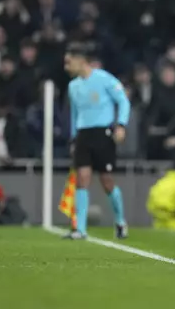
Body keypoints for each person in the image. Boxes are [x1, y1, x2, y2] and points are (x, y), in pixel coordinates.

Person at [64, 42, 131, 239]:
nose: (66, 67)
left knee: (106, 181)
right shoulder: (72, 86)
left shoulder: (104, 78)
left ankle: (120, 221)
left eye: (68, 62)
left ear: (80, 61)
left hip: (103, 134)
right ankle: (81, 229)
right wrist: (73, 139)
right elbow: (75, 115)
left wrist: (121, 125)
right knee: (82, 179)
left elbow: (123, 101)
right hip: (83, 135)